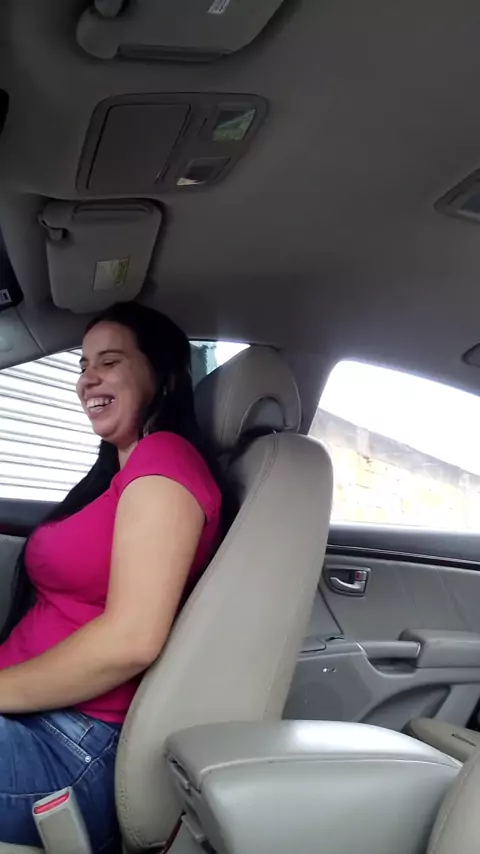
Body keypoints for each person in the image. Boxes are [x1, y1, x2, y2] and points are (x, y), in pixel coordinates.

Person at [0, 303, 228, 851]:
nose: (87, 380)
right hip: (40, 721)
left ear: (165, 377)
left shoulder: (165, 460)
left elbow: (132, 638)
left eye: (110, 361)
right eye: (83, 366)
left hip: (68, 747)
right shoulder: (115, 476)